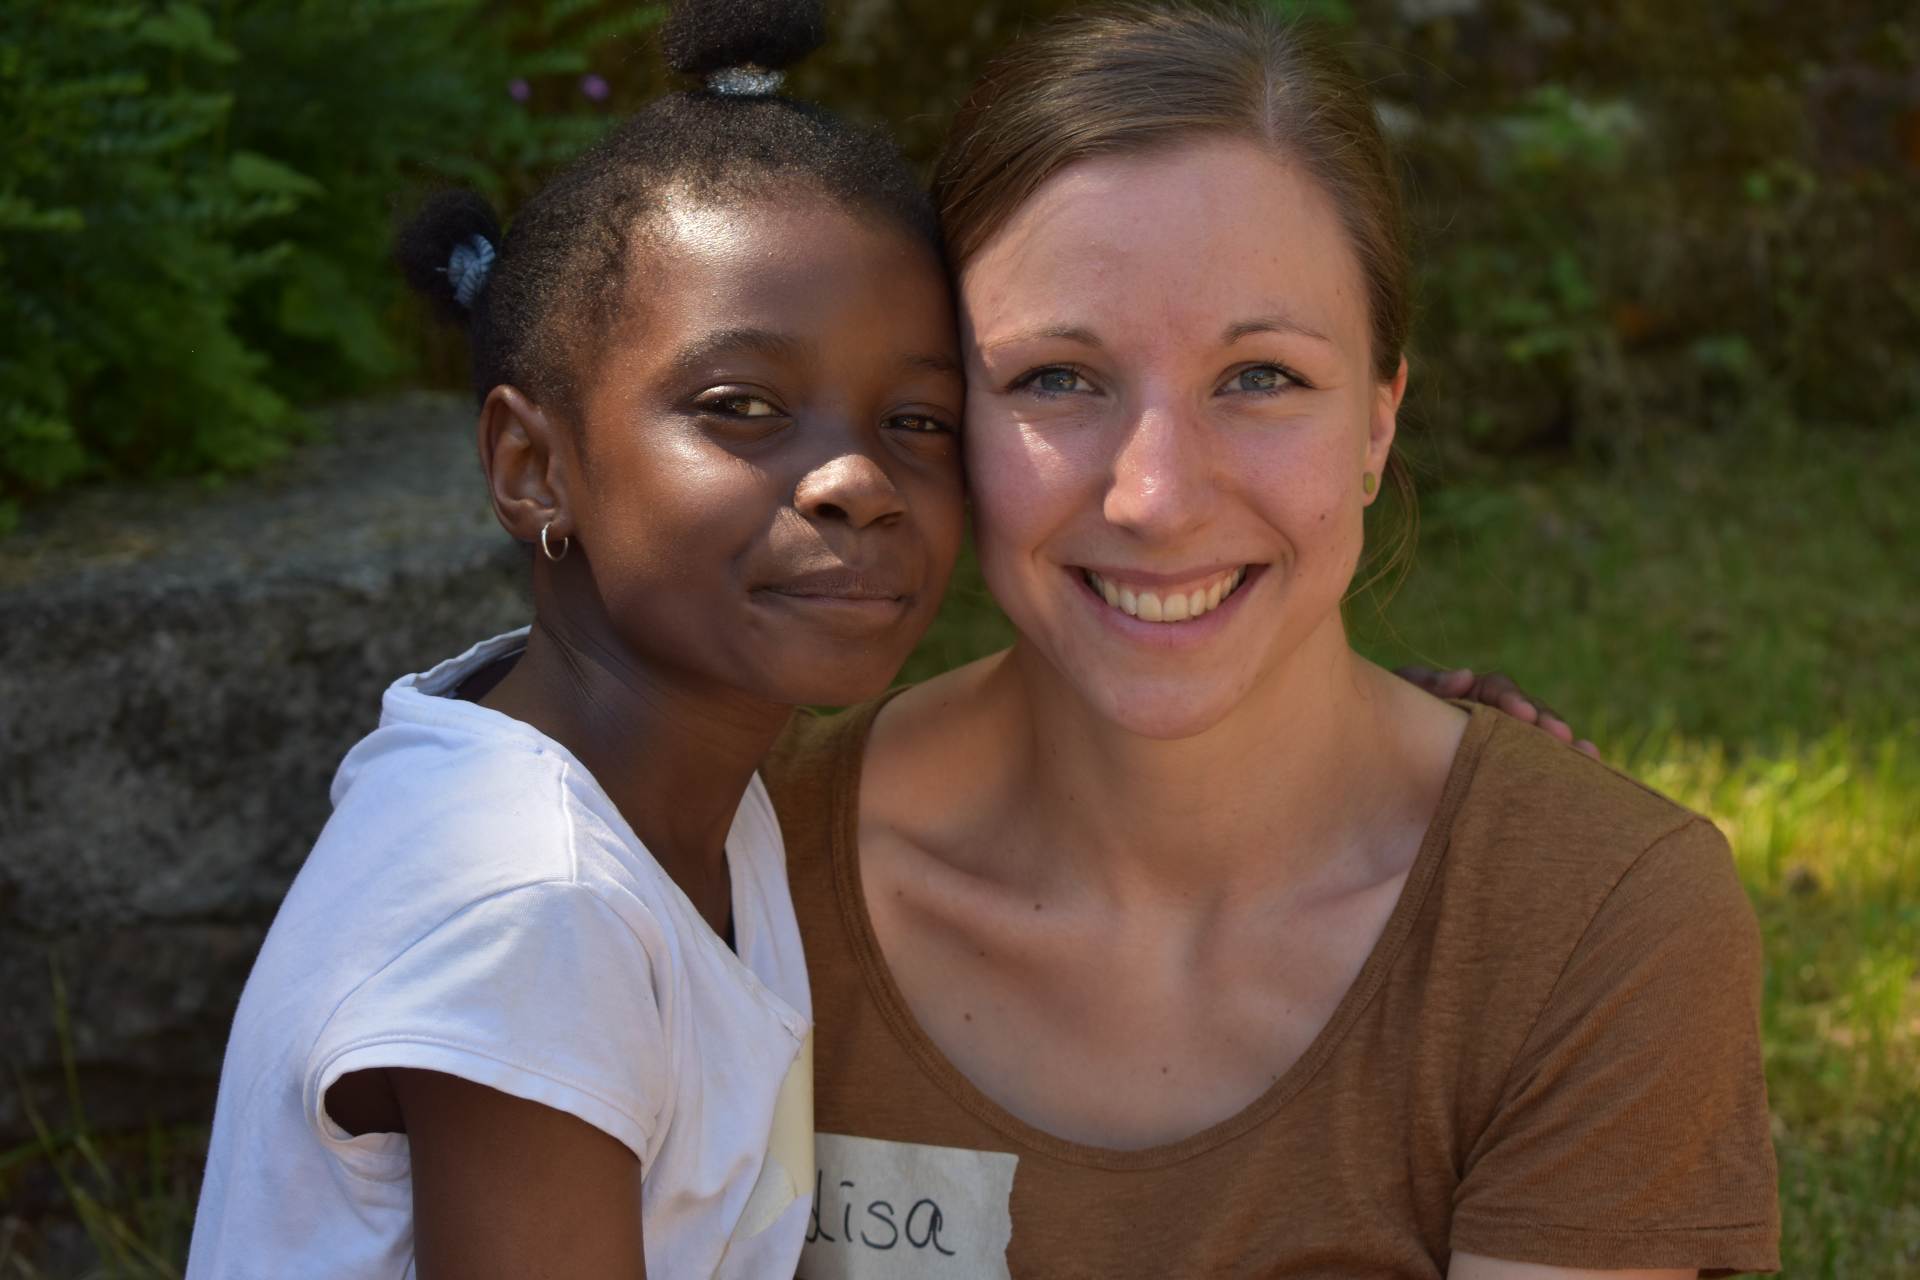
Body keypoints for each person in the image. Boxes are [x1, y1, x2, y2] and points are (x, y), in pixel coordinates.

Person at [765, 7, 1779, 1278]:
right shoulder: (738, 874)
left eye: (1261, 378)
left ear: (1379, 420)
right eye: (1057, 379)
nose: (1155, 494)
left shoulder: (1588, 925)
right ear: (946, 420)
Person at [184, 1, 970, 1276]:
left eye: (921, 420)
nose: (856, 480)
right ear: (534, 466)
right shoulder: (535, 908)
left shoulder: (655, 779)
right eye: (742, 406)